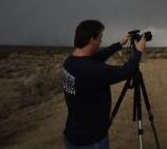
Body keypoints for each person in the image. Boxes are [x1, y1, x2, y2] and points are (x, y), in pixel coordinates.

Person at [62, 20, 146, 149]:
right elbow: (125, 71)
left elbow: (99, 55)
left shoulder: (69, 62)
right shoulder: (93, 70)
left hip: (73, 135)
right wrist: (139, 52)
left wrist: (119, 44)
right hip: (91, 141)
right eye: (100, 38)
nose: (101, 41)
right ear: (92, 39)